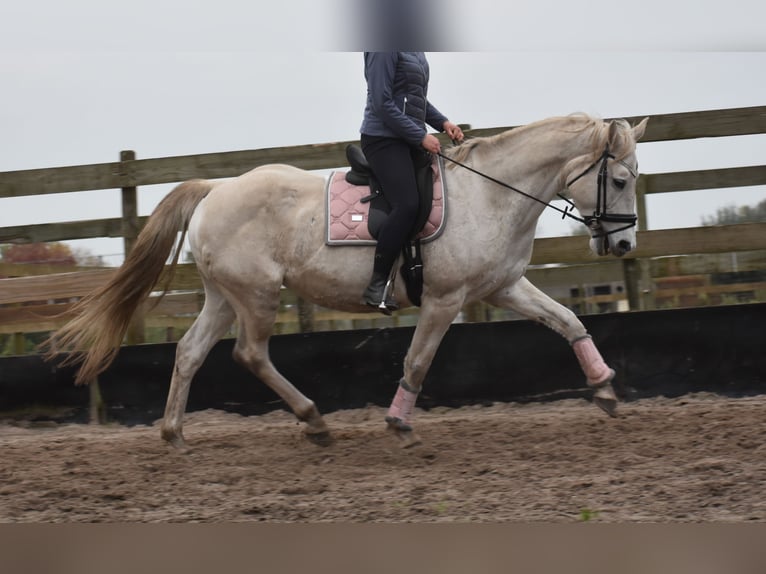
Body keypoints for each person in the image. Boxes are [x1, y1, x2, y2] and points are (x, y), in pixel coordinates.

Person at [359, 51, 464, 312]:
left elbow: (413, 100)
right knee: (407, 204)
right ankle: (377, 284)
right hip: (382, 138)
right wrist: (420, 136)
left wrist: (442, 122)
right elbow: (383, 103)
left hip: (407, 138)